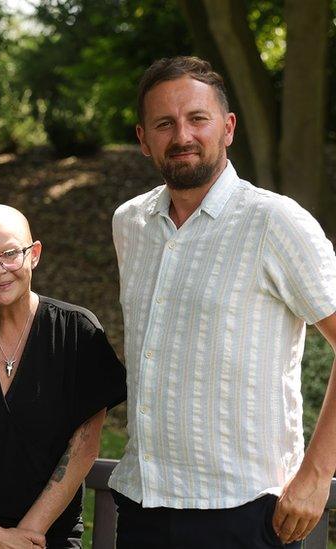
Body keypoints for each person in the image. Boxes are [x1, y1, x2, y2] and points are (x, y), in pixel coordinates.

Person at [109, 56, 336, 548]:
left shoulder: (276, 223)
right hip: (143, 506)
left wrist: (316, 475)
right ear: (143, 138)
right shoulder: (130, 224)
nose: (182, 135)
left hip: (245, 513)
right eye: (164, 123)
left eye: (197, 118)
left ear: (228, 127)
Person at [0, 205, 126, 549]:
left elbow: (84, 446)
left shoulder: (77, 333)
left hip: (46, 539)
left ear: (35, 254)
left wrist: (26, 536)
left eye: (10, 254)